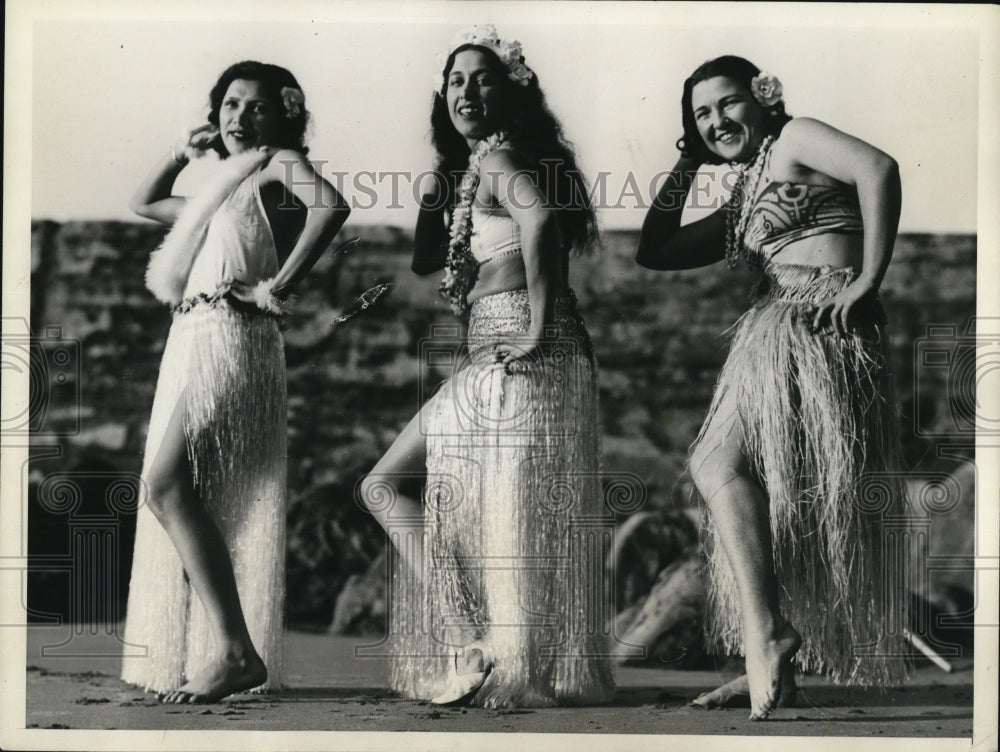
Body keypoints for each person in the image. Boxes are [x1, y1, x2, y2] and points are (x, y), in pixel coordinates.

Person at [636, 55, 908, 720]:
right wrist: (688, 159)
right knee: (764, 496)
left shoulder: (796, 138)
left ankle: (766, 636)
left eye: (727, 104)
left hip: (822, 324)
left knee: (717, 465)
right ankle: (776, 660)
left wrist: (869, 279)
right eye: (701, 114)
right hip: (780, 330)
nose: (716, 121)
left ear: (762, 98)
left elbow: (880, 170)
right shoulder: (747, 189)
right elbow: (657, 247)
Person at [359, 25, 615, 709]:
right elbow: (426, 256)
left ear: (513, 91)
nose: (466, 91)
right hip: (497, 356)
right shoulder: (482, 164)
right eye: (454, 82)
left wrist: (533, 326)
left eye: (482, 79)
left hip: (521, 350)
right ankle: (480, 642)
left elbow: (538, 224)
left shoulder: (501, 160)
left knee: (474, 508)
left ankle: (493, 649)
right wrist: (448, 159)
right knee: (393, 488)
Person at [121, 61, 350, 703]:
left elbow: (332, 207)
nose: (239, 117)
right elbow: (142, 202)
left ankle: (233, 651)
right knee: (182, 490)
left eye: (256, 107)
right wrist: (181, 151)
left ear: (282, 117)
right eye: (229, 104)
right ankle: (222, 647)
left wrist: (280, 286)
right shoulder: (220, 184)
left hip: (231, 336)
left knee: (165, 485)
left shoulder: (276, 162)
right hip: (190, 339)